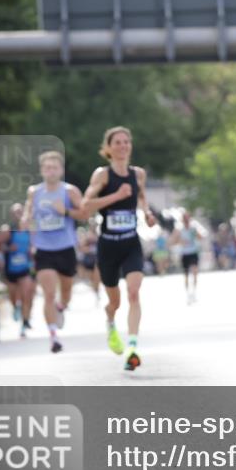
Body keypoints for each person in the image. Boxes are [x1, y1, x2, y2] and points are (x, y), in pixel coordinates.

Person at [81, 126, 156, 371]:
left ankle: (132, 347)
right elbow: (86, 205)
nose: (123, 146)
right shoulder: (102, 176)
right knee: (115, 301)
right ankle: (110, 319)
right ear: (109, 148)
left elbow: (141, 197)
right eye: (118, 142)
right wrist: (115, 196)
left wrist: (146, 213)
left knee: (134, 292)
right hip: (108, 246)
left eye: (126, 142)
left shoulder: (138, 175)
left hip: (131, 242)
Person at [22, 151, 85, 354]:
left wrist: (65, 211)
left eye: (54, 167)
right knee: (48, 293)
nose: (50, 171)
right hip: (44, 249)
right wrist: (25, 219)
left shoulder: (70, 191)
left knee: (66, 292)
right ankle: (53, 337)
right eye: (47, 168)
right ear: (42, 170)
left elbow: (84, 213)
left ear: (61, 170)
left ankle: (61, 307)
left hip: (66, 247)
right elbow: (28, 212)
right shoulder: (34, 191)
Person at [3, 203, 35, 336]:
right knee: (13, 296)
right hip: (11, 269)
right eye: (16, 212)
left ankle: (24, 322)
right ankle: (15, 307)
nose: (19, 214)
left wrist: (32, 252)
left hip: (25, 268)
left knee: (26, 295)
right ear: (12, 215)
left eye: (20, 211)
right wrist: (9, 249)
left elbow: (35, 246)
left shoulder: (30, 230)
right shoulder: (7, 230)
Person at [170, 211, 201, 303]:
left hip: (193, 252)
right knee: (186, 275)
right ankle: (188, 293)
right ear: (183, 220)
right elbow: (172, 242)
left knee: (195, 272)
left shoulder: (193, 229)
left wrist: (197, 236)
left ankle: (194, 292)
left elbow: (200, 237)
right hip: (185, 254)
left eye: (188, 218)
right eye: (185, 219)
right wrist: (180, 241)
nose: (187, 221)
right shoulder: (179, 230)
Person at [77, 228, 101, 303]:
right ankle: (94, 290)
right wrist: (89, 249)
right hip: (86, 261)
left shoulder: (98, 241)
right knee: (90, 279)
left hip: (95, 262)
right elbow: (81, 248)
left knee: (96, 278)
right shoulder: (86, 241)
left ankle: (97, 293)